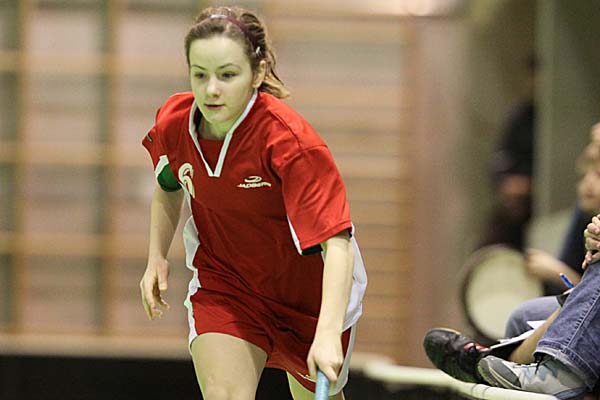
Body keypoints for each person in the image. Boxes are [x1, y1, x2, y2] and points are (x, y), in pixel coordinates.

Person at [139, 6, 367, 400]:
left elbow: (337, 243)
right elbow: (169, 184)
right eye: (200, 75)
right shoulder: (174, 124)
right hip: (228, 284)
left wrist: (328, 332)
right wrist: (156, 256)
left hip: (309, 300)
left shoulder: (290, 143)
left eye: (227, 75)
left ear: (257, 73)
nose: (212, 90)